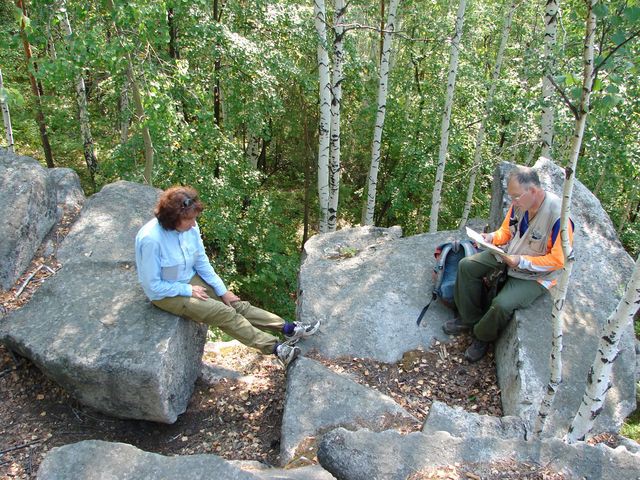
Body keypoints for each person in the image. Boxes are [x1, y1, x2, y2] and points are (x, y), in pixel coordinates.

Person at [135, 186, 319, 367]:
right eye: (189, 219)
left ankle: (288, 329)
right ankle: (276, 349)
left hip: (189, 278)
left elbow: (201, 261)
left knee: (235, 305)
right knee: (224, 313)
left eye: (194, 218)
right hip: (166, 293)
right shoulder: (150, 239)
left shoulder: (190, 228)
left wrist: (222, 290)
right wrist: (187, 289)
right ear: (173, 218)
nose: (193, 224)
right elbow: (152, 286)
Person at [443, 166, 573, 362]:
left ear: (534, 191)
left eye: (517, 197)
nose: (513, 201)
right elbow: (506, 232)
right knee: (466, 266)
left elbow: (558, 260)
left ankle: (481, 336)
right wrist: (490, 238)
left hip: (537, 275)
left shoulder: (559, 217)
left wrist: (521, 261)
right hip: (509, 255)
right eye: (512, 197)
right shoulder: (520, 204)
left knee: (501, 305)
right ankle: (468, 319)